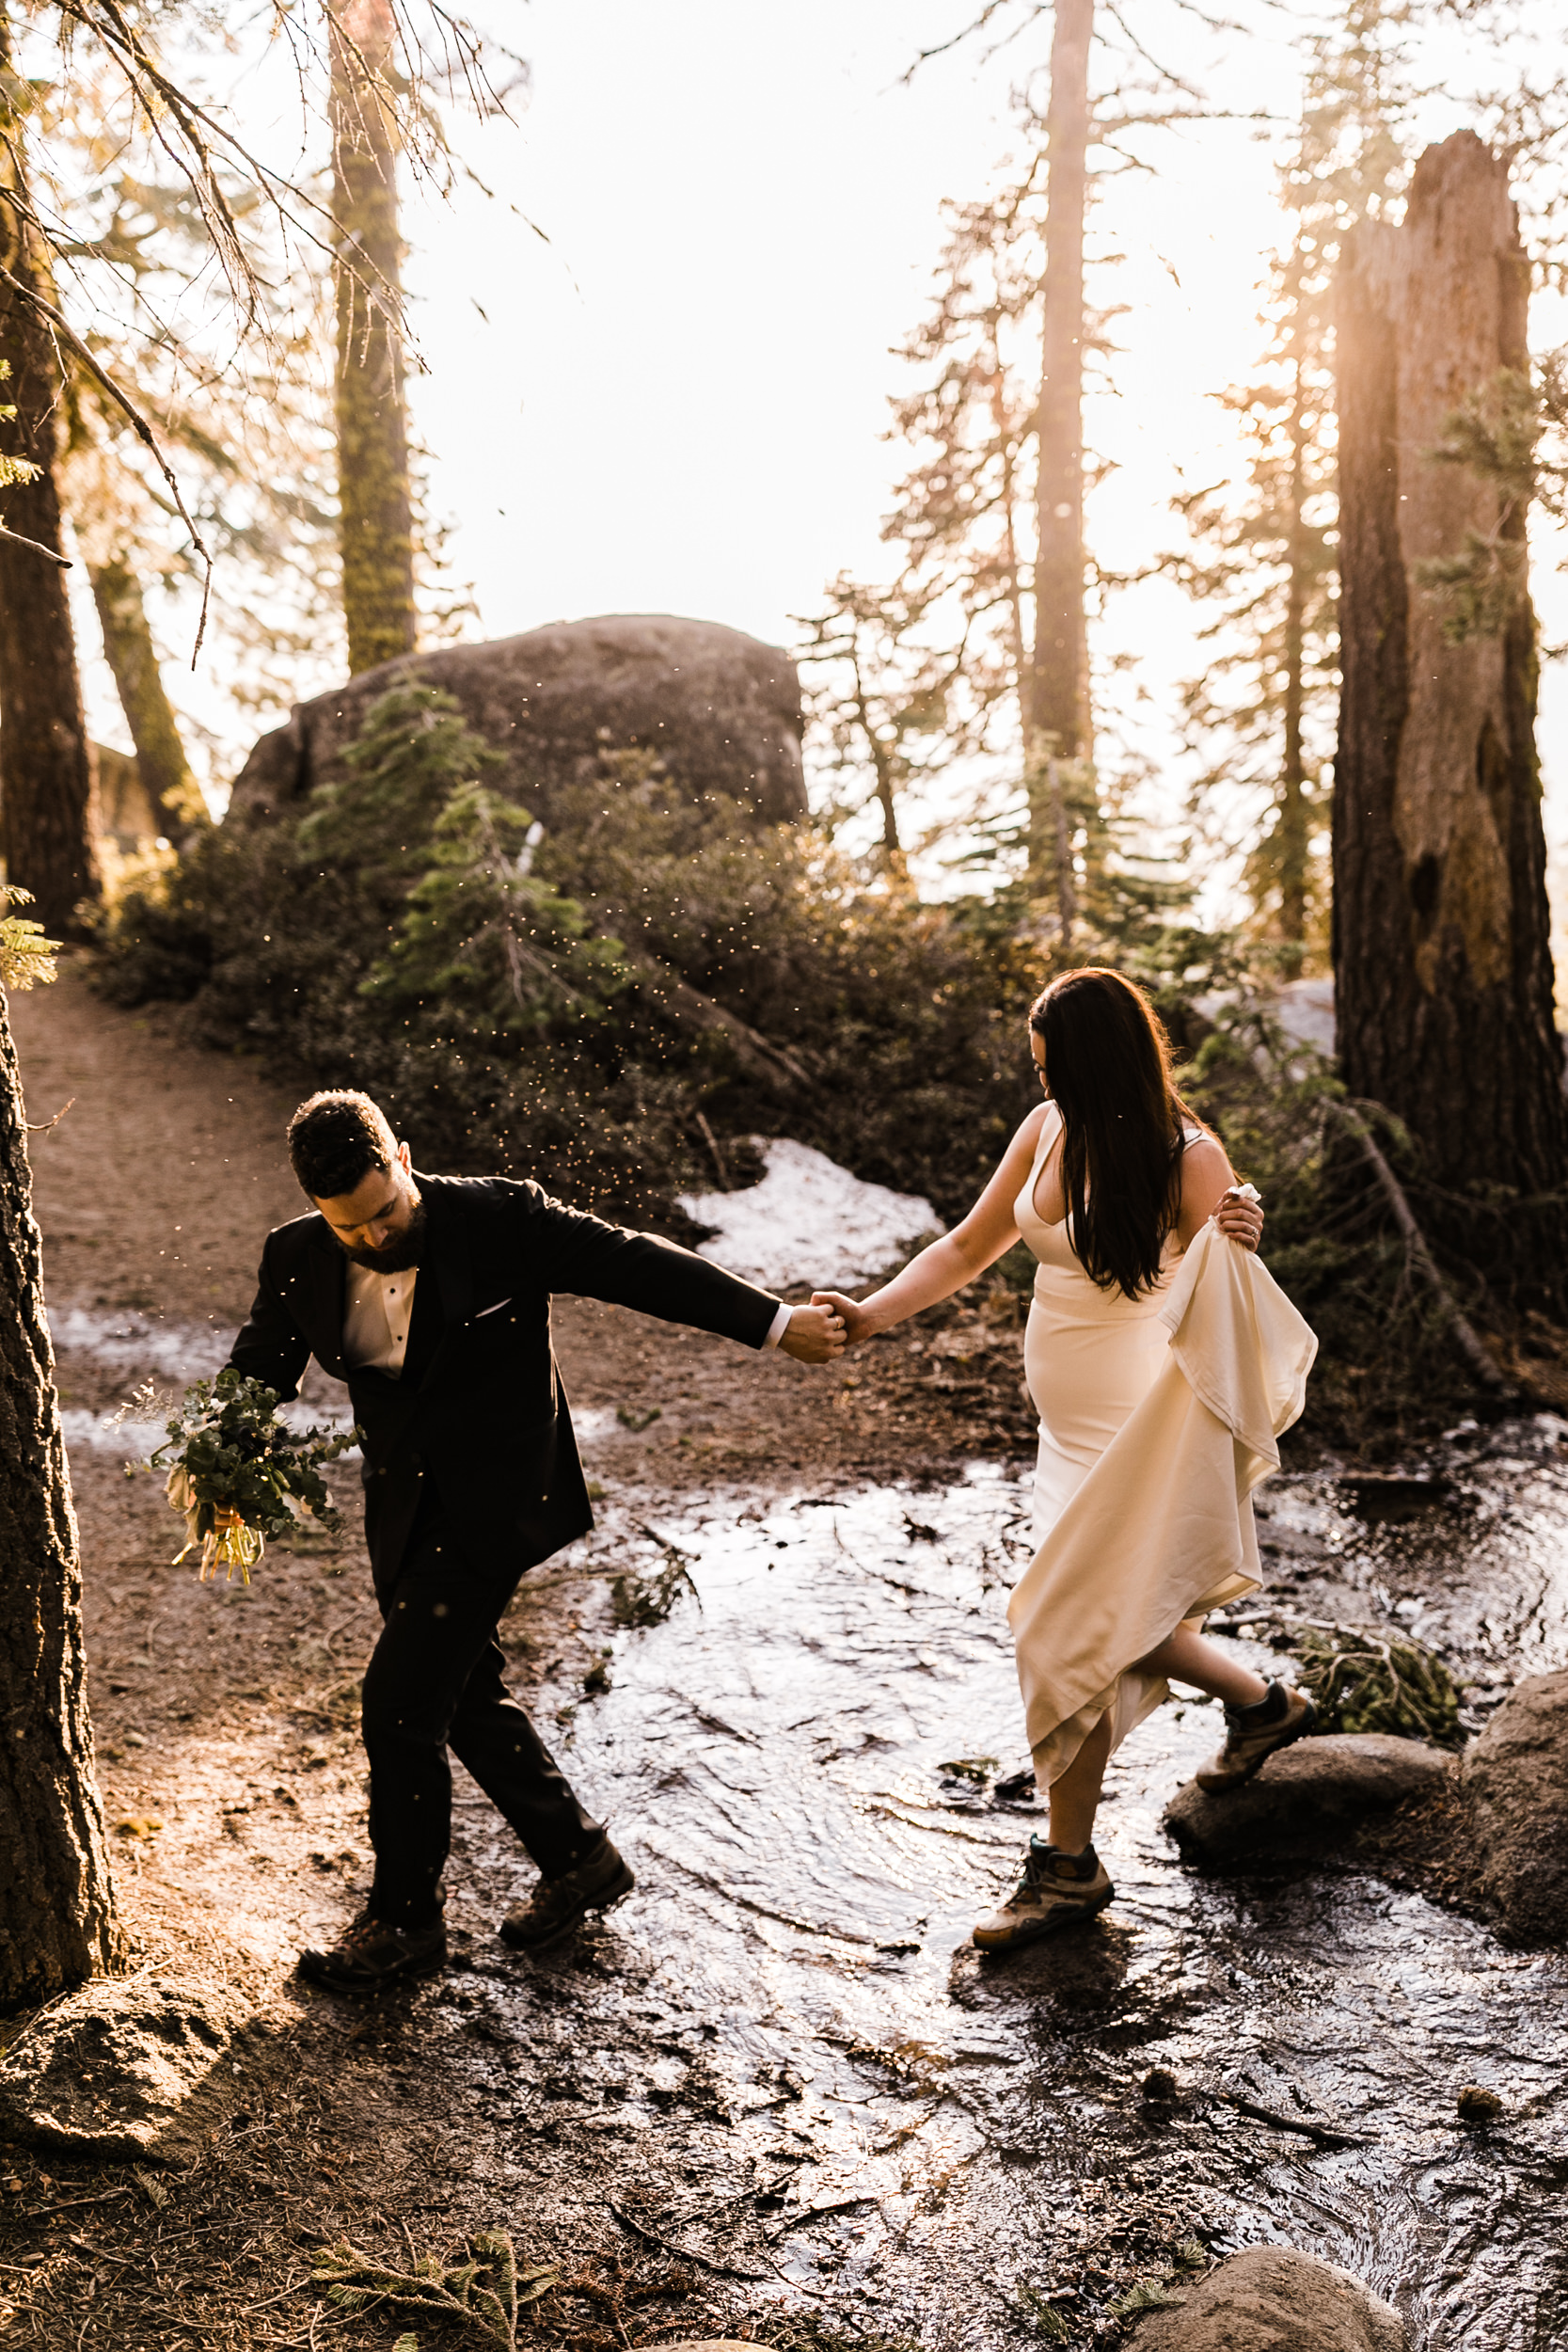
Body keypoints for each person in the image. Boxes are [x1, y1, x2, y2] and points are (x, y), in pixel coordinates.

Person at [228, 1089, 846, 1991]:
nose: (374, 1238)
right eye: (350, 1229)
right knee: (460, 1690)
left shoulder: (500, 1218)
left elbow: (636, 1265)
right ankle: (579, 1859)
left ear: (403, 1154)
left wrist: (776, 1323)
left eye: (386, 1213)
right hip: (400, 1504)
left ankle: (404, 1924)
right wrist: (223, 1455)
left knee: (398, 1707)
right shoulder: (295, 1256)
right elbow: (261, 1365)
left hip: (499, 1498)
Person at [814, 967, 1315, 1951]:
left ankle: (1067, 1867)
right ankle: (1262, 1707)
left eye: (1056, 1072)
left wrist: (1243, 1228)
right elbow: (965, 1247)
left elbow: (1231, 1280)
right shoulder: (1047, 1130)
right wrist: (872, 1313)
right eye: (1036, 1070)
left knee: (1061, 1622)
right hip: (1063, 1438)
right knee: (1107, 1621)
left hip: (1136, 1431)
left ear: (1105, 1066)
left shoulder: (1185, 1156)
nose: (1044, 1088)